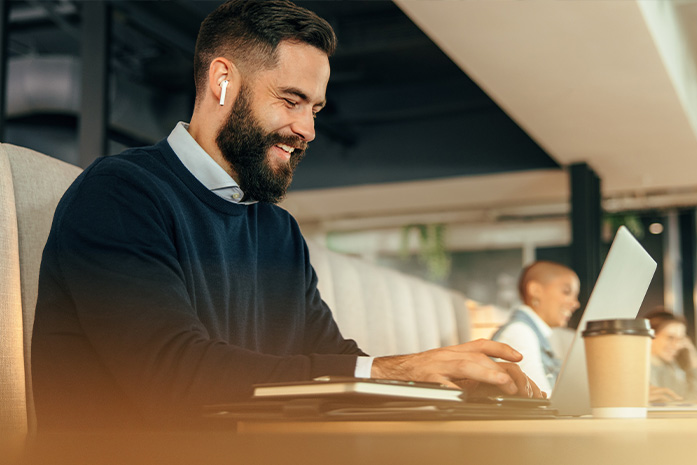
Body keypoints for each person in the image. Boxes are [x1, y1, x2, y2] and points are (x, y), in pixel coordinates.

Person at [31, 0, 540, 431]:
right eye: (291, 100)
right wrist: (392, 371)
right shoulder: (121, 195)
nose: (307, 130)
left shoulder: (276, 230)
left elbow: (333, 361)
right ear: (223, 81)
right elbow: (174, 377)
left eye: (315, 109)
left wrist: (436, 383)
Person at [491, 261, 581, 396]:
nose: (575, 303)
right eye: (566, 292)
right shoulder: (519, 332)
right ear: (535, 290)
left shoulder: (532, 333)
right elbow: (540, 400)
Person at [644, 309, 697, 403]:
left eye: (680, 339)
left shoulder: (670, 368)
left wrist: (693, 356)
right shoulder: (637, 369)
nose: (678, 345)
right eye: (670, 338)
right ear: (650, 336)